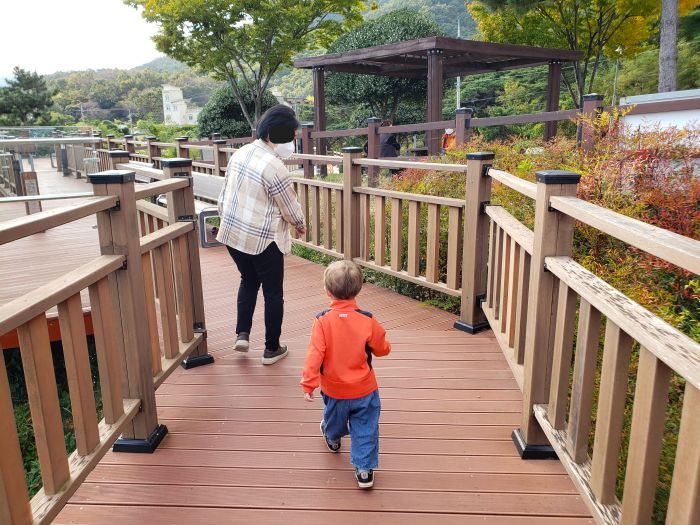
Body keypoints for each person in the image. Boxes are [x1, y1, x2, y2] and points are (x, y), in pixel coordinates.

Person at [216, 104, 306, 365]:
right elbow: (290, 208)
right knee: (273, 293)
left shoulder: (240, 153)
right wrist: (300, 224)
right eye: (292, 136)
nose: (292, 141)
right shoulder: (275, 167)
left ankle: (241, 335)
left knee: (248, 280)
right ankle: (271, 348)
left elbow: (224, 196)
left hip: (233, 234)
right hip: (263, 239)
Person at [300, 260, 391, 489]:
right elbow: (381, 349)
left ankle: (332, 437)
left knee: (334, 419)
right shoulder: (367, 319)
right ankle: (364, 470)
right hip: (364, 388)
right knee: (366, 427)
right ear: (359, 288)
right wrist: (385, 347)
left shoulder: (322, 321)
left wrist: (309, 383)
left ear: (327, 291)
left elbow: (315, 354)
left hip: (334, 388)